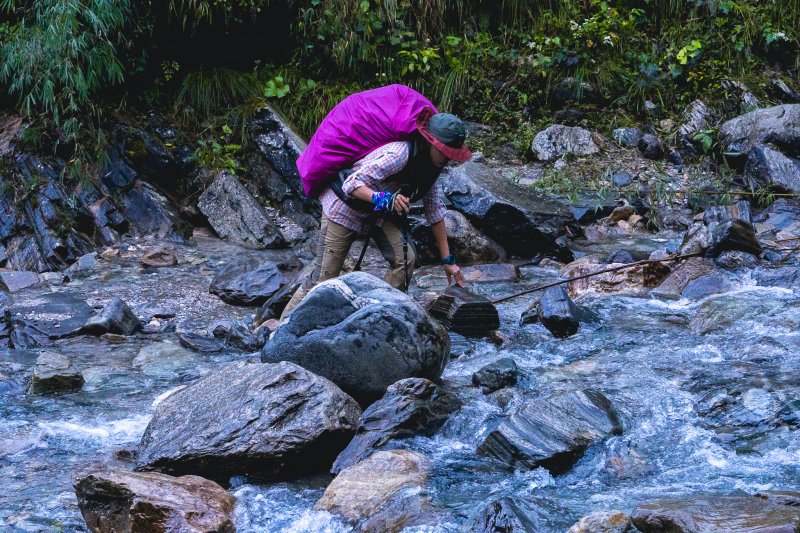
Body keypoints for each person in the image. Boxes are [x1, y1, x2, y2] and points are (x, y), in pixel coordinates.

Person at [283, 108, 472, 315]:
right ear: (429, 141)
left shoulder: (432, 169)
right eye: (444, 151)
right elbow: (351, 184)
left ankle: (380, 316)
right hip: (344, 207)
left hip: (379, 212)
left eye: (452, 154)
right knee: (323, 279)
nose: (447, 158)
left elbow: (434, 211)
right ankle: (281, 331)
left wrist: (448, 262)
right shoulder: (398, 154)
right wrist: (383, 199)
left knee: (405, 260)